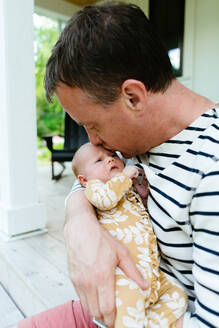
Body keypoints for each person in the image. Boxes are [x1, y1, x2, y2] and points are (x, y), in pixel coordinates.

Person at [43, 1, 219, 327]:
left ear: (133, 97)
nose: (92, 141)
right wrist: (79, 221)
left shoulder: (210, 171)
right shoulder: (129, 142)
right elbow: (88, 176)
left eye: (93, 126)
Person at [71, 142, 187, 327]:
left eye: (113, 155)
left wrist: (141, 196)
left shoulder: (125, 189)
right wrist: (124, 177)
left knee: (178, 296)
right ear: (84, 180)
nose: (109, 159)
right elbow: (105, 200)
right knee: (128, 305)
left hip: (152, 272)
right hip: (125, 275)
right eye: (99, 160)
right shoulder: (94, 188)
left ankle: (150, 324)